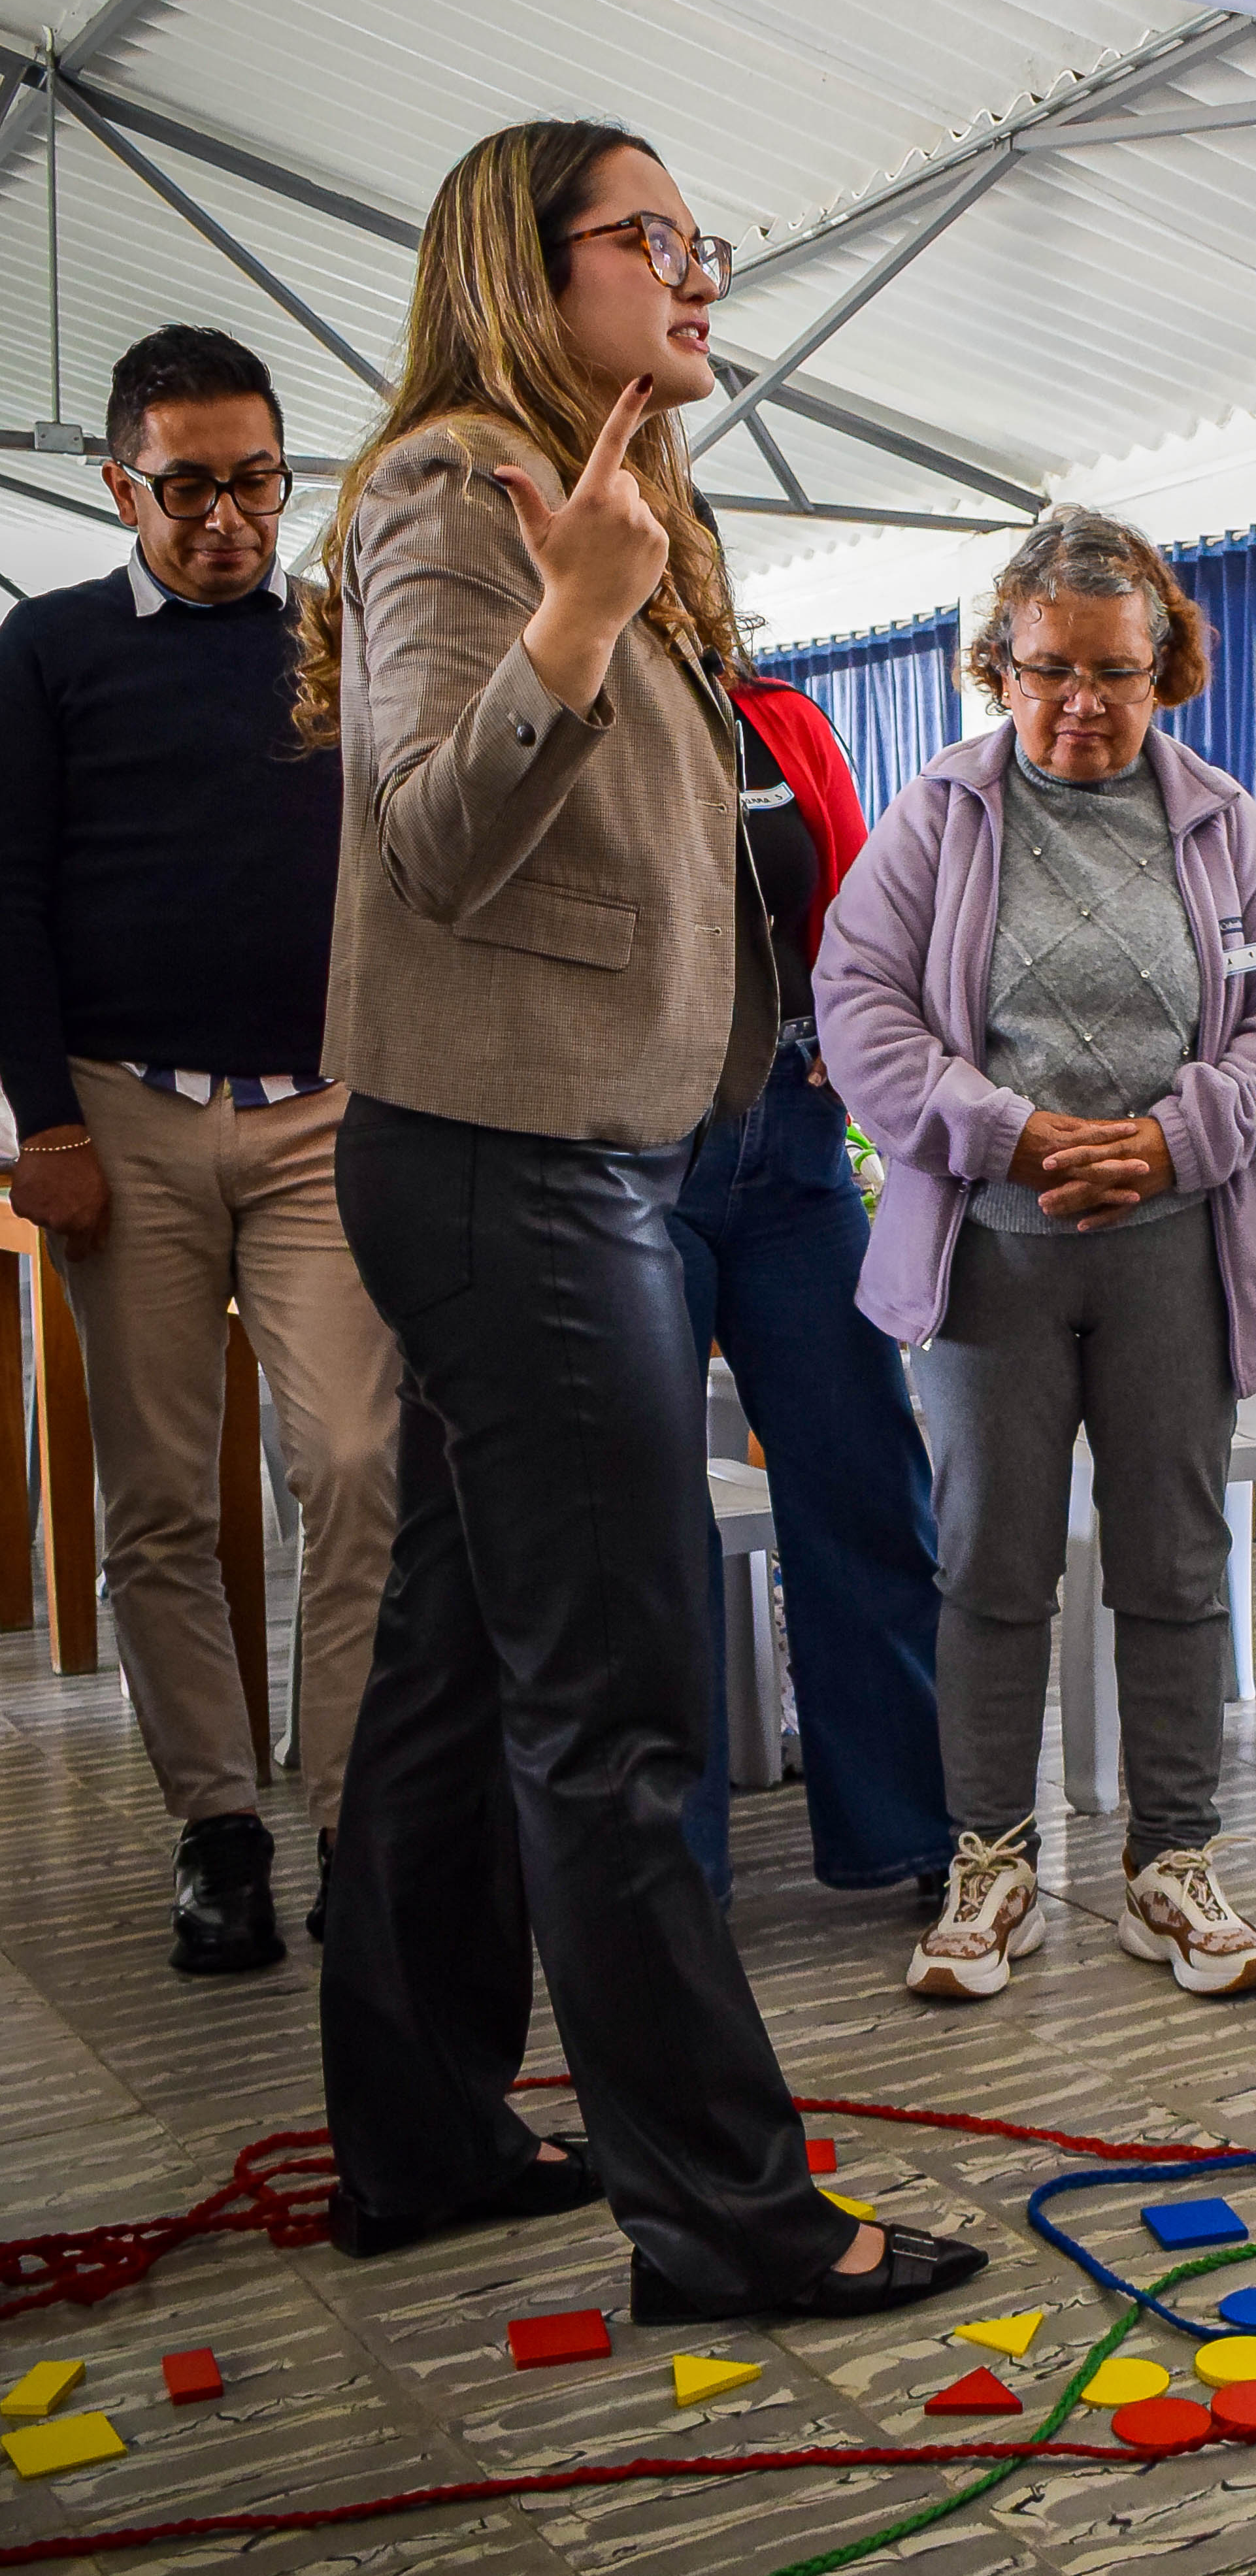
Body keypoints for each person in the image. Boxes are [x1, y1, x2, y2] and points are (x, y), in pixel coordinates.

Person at [297, 116, 982, 2324]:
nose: (697, 273)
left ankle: (414, 2134)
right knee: (615, 1708)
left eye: (706, 236)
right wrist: (579, 614)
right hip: (517, 1154)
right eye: (650, 238)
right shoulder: (453, 493)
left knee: (448, 1668)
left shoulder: (602, 497)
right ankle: (729, 2211)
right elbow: (431, 837)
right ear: (530, 262)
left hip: (565, 1143)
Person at [815, 507, 1256, 2003]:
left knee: (1176, 1560)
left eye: (1114, 672)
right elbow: (857, 1001)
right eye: (1048, 672)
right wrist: (1003, 1130)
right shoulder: (939, 814)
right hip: (993, 1250)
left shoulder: (1225, 822)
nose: (1081, 705)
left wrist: (1178, 1138)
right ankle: (990, 1862)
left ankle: (1170, 1862)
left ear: (1163, 666)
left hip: (1172, 1243)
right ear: (1000, 665)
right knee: (988, 1559)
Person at [0, 326, 397, 1977]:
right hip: (130, 1119)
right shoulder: (50, 649)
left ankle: (358, 1827)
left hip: (322, 1113)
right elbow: (7, 892)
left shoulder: (342, 635)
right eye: (186, 485)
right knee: (161, 1497)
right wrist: (48, 1124)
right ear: (119, 482)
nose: (225, 515)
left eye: (254, 479)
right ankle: (218, 1825)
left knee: (357, 1471)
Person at [666, 665, 950, 1906]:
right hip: (627, 1151)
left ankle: (906, 1837)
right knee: (642, 1521)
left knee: (868, 1486)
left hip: (789, 1139)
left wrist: (861, 1032)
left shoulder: (772, 717)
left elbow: (851, 907)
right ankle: (667, 1879)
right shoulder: (558, 695)